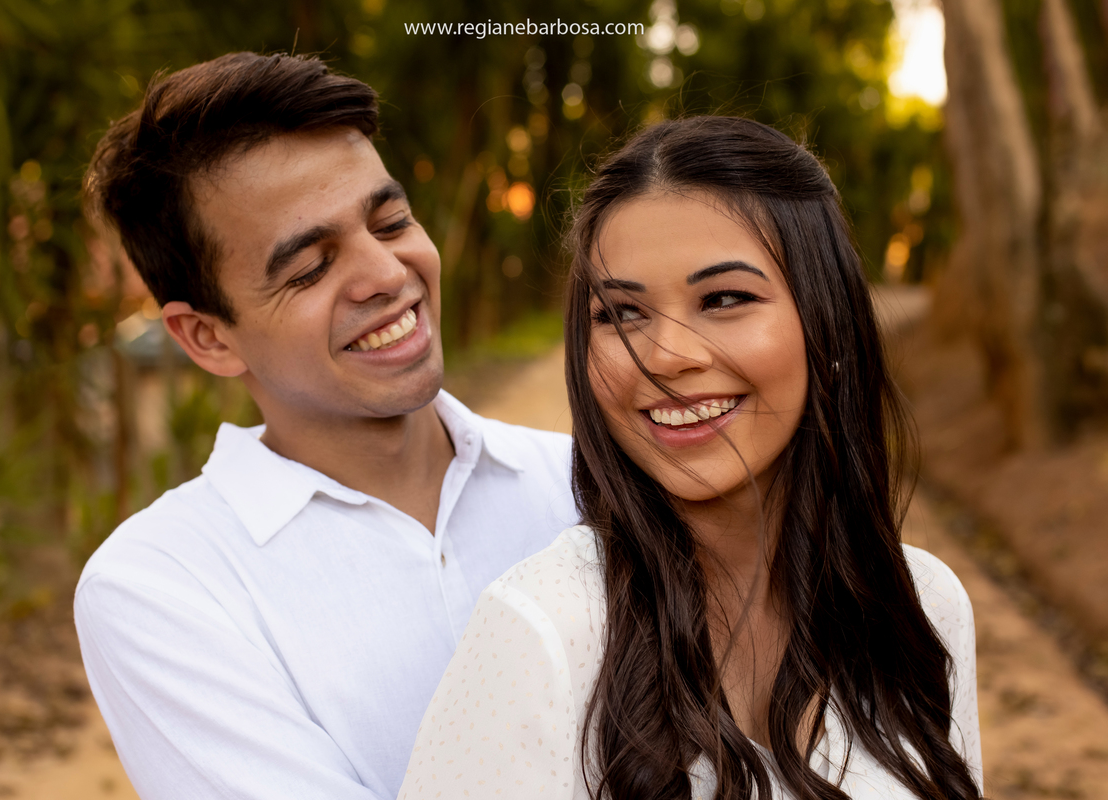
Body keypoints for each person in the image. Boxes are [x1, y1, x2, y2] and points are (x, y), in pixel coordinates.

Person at [399, 116, 983, 799]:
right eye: (622, 314)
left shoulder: (924, 606)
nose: (668, 357)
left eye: (724, 299)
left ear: (827, 318)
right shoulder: (546, 633)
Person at [75, 52, 576, 800]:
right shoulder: (163, 588)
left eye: (392, 220)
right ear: (208, 337)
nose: (386, 273)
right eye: (309, 267)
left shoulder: (587, 482)